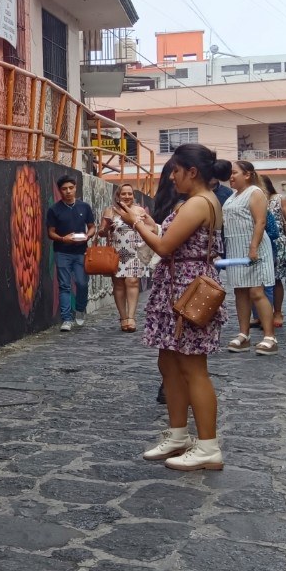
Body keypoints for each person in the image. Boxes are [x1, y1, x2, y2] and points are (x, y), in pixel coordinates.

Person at [111, 143, 228, 471]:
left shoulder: (198, 203)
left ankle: (208, 446)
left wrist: (136, 223)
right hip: (177, 286)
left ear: (192, 172)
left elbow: (163, 246)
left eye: (176, 171)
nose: (172, 177)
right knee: (170, 363)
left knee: (193, 368)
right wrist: (146, 221)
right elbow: (170, 236)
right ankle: (178, 434)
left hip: (186, 289)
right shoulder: (201, 202)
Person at [224, 160, 277, 354]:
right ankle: (243, 334)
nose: (231, 176)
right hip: (236, 250)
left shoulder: (255, 193)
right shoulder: (232, 197)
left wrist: (253, 247)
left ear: (247, 175)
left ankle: (270, 337)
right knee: (240, 292)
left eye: (234, 173)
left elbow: (260, 221)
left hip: (254, 248)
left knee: (257, 292)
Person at [150, 160, 187, 405]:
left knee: (168, 338)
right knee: (181, 337)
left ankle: (170, 385)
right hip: (180, 275)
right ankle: (177, 387)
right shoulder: (183, 206)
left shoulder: (163, 205)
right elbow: (164, 246)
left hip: (166, 276)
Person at [99, 183, 158, 332]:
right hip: (116, 253)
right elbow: (101, 232)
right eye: (123, 194)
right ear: (117, 196)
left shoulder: (139, 211)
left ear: (133, 195)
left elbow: (153, 227)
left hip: (135, 252)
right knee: (118, 285)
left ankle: (131, 318)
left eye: (129, 194)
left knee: (132, 282)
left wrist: (142, 227)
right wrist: (107, 228)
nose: (127, 196)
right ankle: (123, 317)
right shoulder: (110, 211)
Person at [46, 175, 96, 332]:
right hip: (62, 252)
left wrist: (87, 236)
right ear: (60, 191)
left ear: (75, 188)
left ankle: (80, 309)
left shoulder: (84, 207)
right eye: (64, 189)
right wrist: (62, 238)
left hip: (81, 252)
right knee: (64, 286)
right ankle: (66, 319)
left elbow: (92, 226)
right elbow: (50, 232)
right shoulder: (54, 209)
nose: (68, 191)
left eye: (70, 188)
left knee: (82, 283)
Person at [260, 175, 286, 328]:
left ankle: (277, 312)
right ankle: (260, 314)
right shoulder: (252, 199)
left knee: (276, 278)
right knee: (257, 280)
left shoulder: (278, 199)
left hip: (277, 242)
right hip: (257, 242)